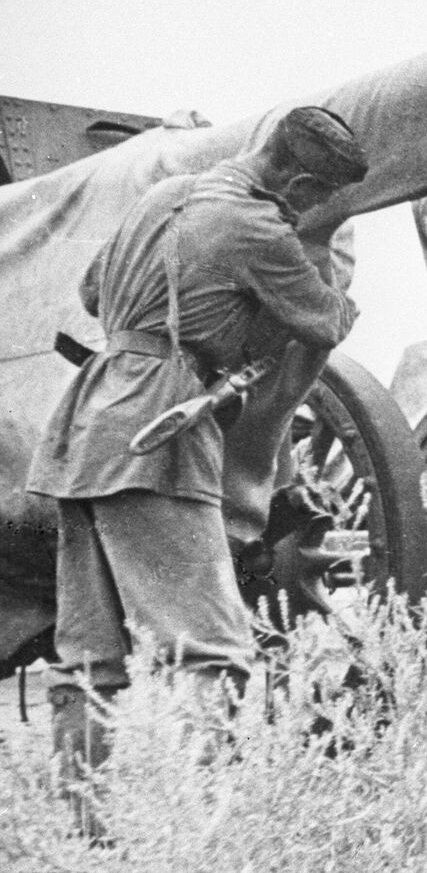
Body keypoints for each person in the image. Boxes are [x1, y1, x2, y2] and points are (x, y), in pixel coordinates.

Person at [26, 106, 365, 837]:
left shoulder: (163, 195)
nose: (306, 209)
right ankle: (199, 835)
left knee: (90, 657)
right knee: (211, 650)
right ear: (300, 179)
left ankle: (88, 837)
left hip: (86, 427)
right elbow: (324, 322)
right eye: (313, 198)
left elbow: (92, 294)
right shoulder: (257, 227)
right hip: (160, 432)